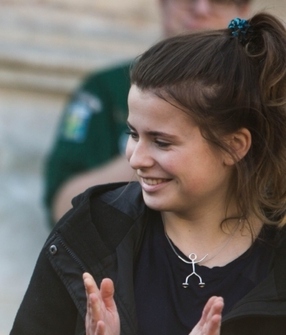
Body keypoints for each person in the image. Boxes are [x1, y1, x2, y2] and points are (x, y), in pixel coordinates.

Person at [0, 14, 286, 335]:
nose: (135, 157)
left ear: (235, 146)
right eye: (132, 134)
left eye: (162, 142)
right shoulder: (90, 232)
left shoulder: (276, 270)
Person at [44, 0, 251, 224]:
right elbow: (64, 209)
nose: (200, 8)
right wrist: (151, 153)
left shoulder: (265, 95)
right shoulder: (107, 89)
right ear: (163, 3)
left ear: (243, 11)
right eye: (132, 133)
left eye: (220, 0)